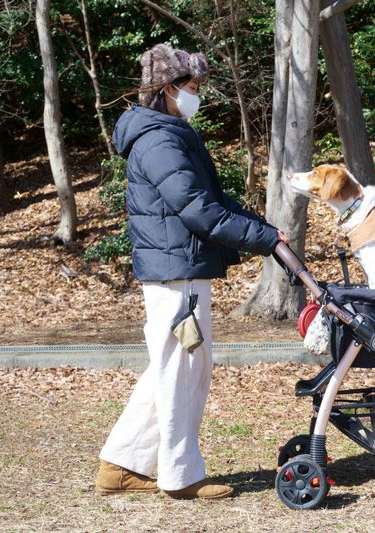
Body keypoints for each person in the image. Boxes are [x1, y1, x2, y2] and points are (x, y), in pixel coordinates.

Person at [95, 43, 287, 499]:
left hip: (178, 267)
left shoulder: (166, 133)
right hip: (176, 272)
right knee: (184, 370)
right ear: (167, 89)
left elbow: (212, 200)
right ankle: (180, 475)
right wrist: (264, 240)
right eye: (192, 87)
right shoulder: (160, 140)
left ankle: (121, 464)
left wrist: (264, 230)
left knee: (172, 367)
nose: (196, 95)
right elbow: (199, 211)